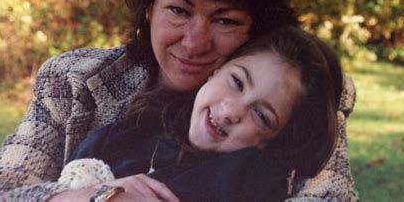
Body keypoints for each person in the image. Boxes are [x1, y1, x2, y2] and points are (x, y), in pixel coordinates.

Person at [0, 0, 357, 201]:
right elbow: (5, 186)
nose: (195, 41)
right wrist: (97, 197)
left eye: (225, 21)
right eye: (179, 10)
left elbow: (329, 197)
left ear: (256, 29)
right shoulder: (74, 80)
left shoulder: (303, 91)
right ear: (149, 6)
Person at [53, 26, 342, 202]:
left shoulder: (244, 180)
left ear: (272, 140)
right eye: (237, 82)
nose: (231, 111)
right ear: (216, 69)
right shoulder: (125, 133)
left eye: (262, 116)